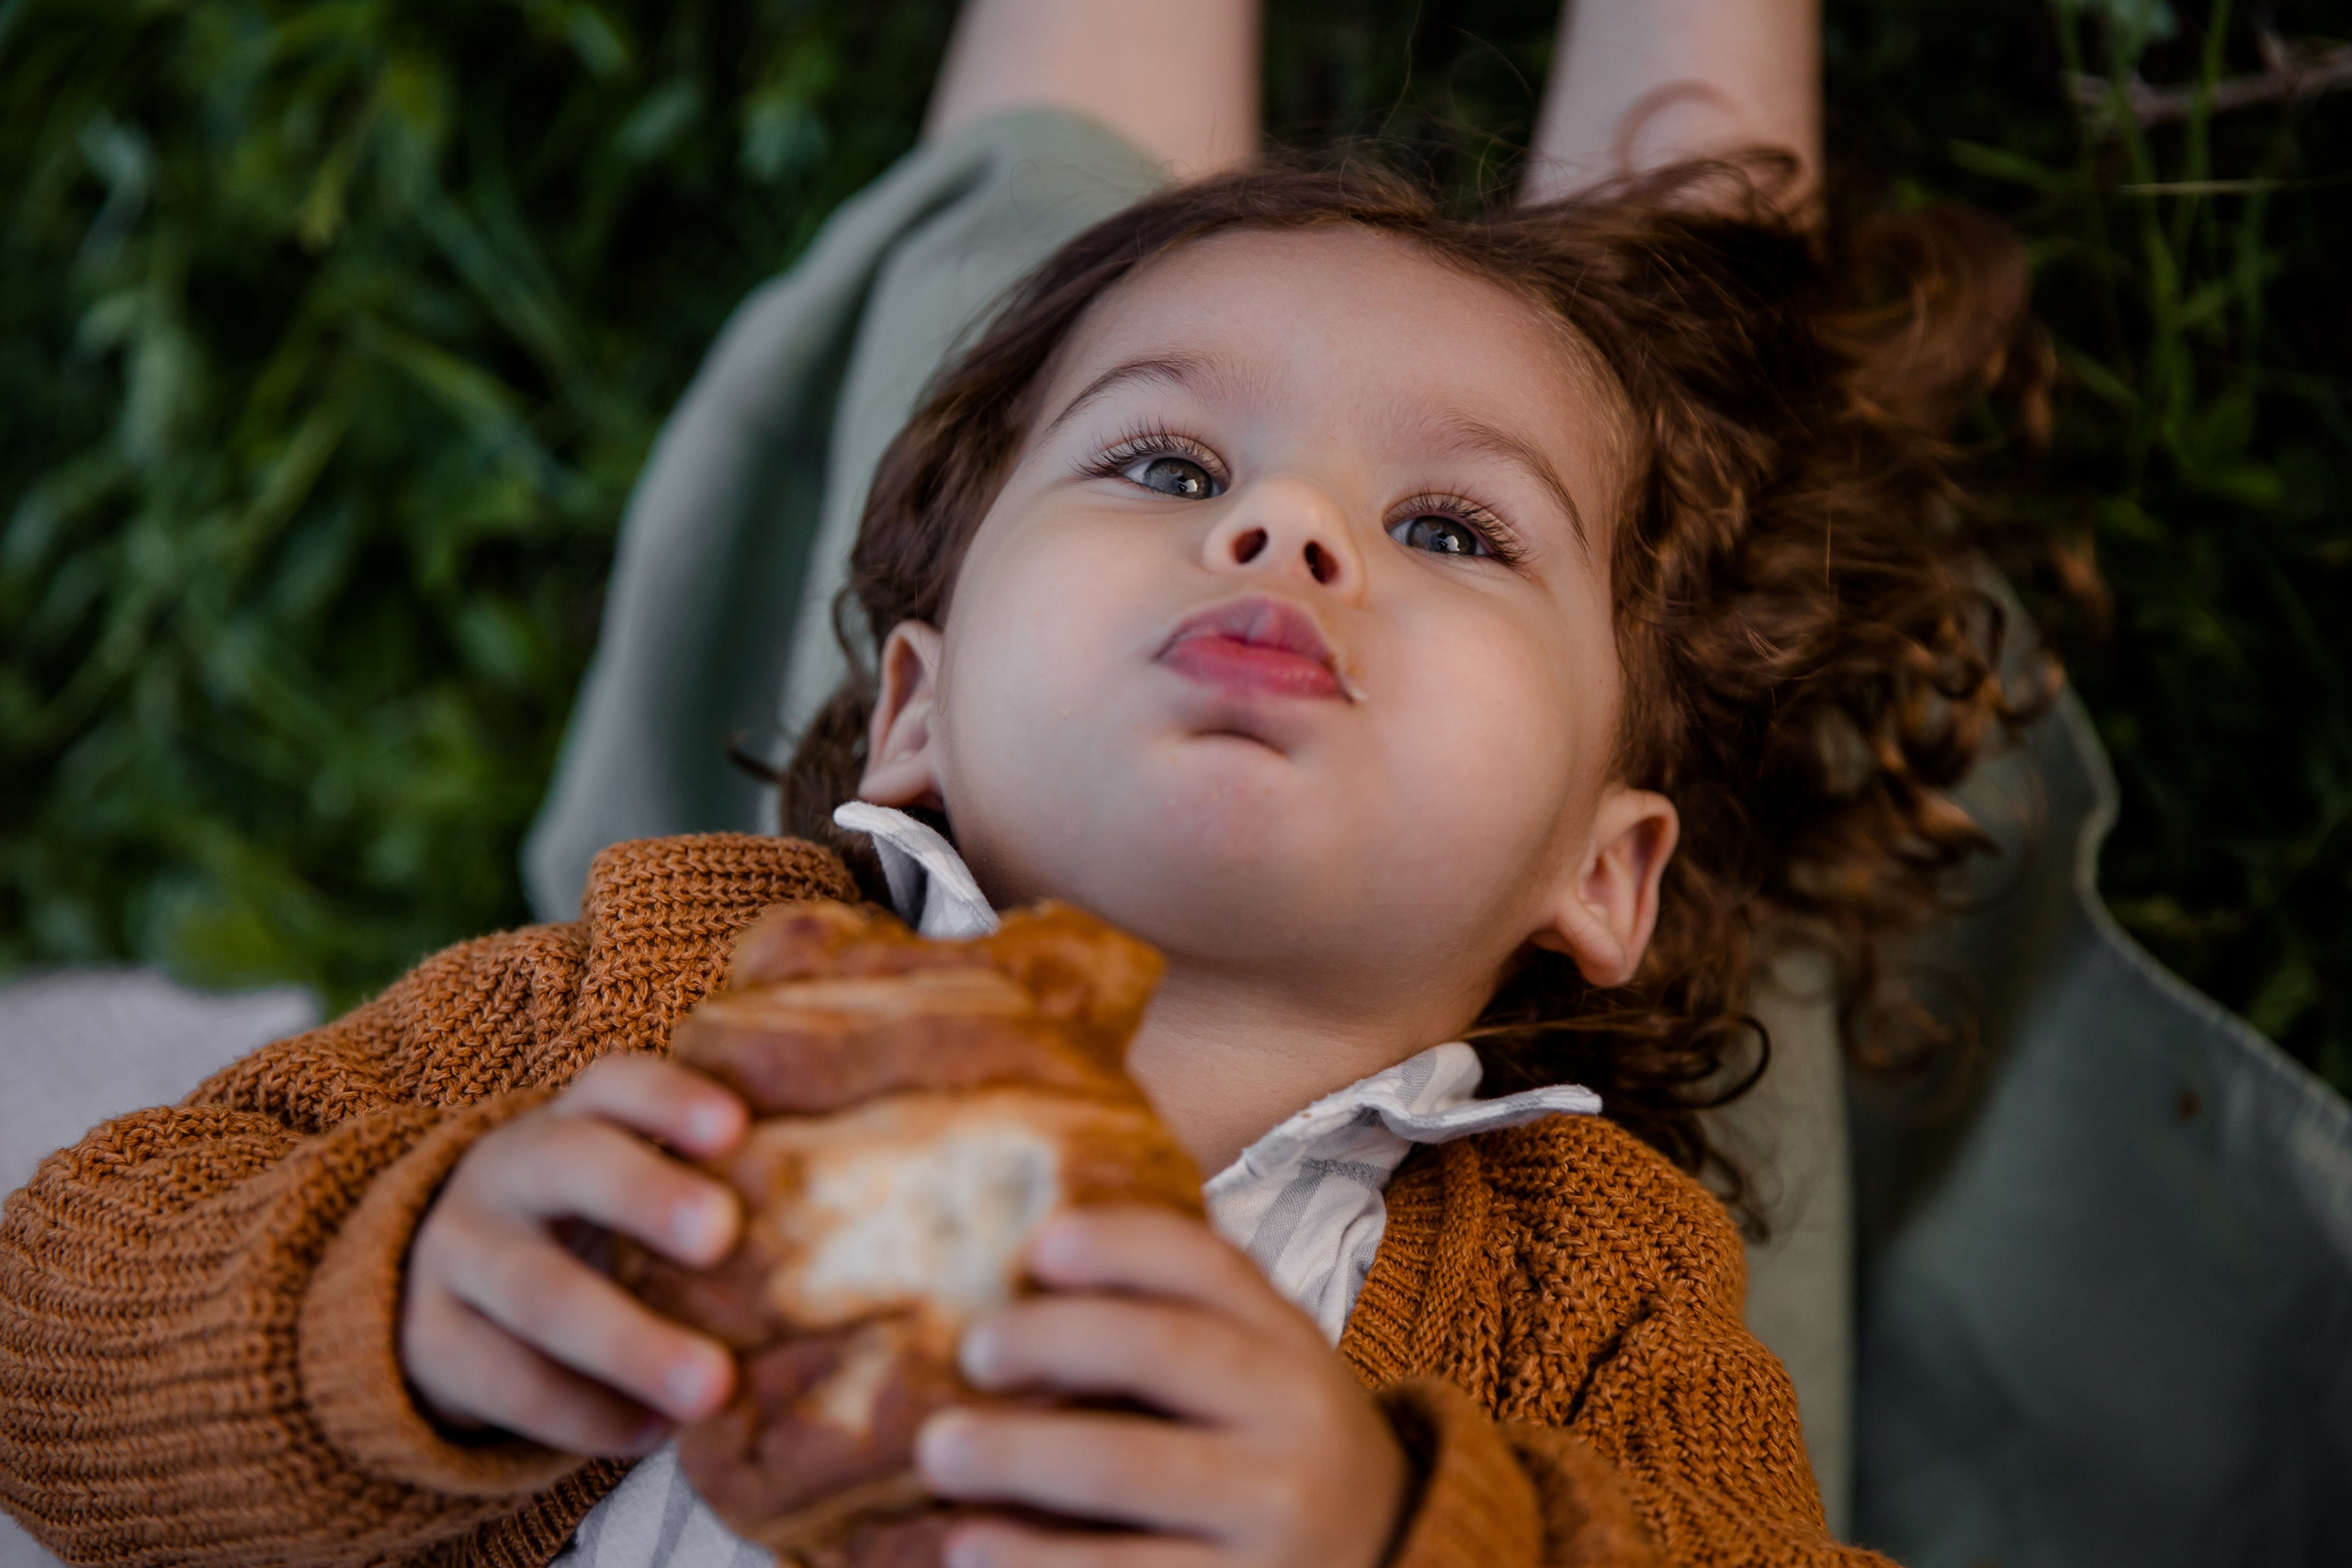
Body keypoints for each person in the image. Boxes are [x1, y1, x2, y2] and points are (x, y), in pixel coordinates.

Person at [0, 2, 2036, 1564]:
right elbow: (47, 1328)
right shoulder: (617, 1015)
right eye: (1169, 468)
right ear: (913, 708)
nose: (1286, 534)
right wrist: (405, 1304)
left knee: (1097, 233)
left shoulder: (1586, 1272)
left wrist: (1389, 1517)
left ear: (1603, 870)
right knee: (1681, 319)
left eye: (1450, 529)